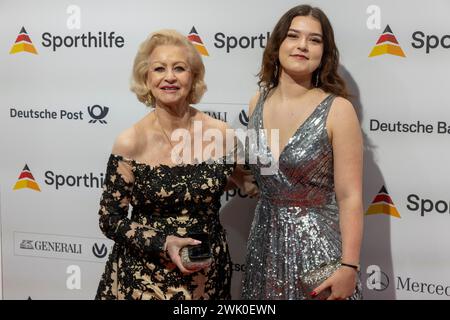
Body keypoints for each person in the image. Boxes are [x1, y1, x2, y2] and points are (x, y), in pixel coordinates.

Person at [95, 29, 254, 300]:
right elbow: (110, 219)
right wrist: (163, 242)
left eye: (179, 68)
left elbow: (256, 184)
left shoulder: (223, 134)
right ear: (146, 78)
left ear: (193, 77)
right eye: (159, 69)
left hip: (208, 276)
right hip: (146, 278)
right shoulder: (130, 141)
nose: (169, 77)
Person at [241, 5, 363, 300]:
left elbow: (351, 197)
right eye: (293, 36)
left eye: (315, 40)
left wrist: (349, 267)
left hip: (319, 252)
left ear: (325, 52)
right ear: (278, 44)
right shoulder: (257, 101)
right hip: (264, 246)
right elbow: (266, 174)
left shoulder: (338, 110)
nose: (302, 46)